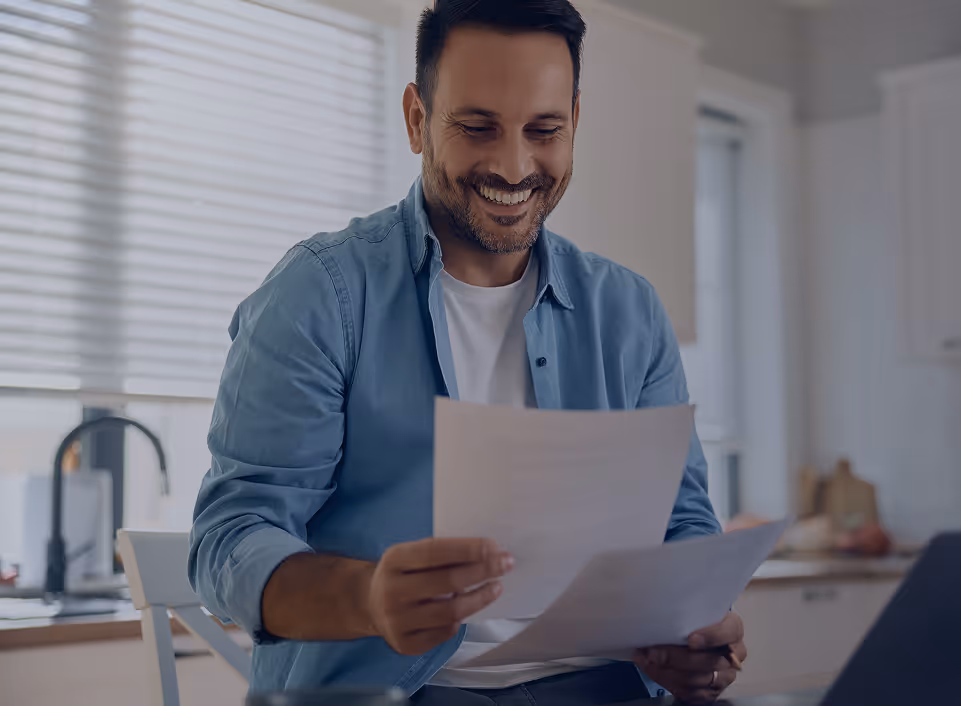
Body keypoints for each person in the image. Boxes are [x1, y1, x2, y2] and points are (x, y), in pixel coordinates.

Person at [188, 1, 745, 704]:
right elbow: (230, 539)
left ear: (576, 120)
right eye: (477, 127)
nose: (514, 167)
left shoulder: (628, 311)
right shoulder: (320, 294)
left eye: (544, 130)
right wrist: (368, 597)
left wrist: (693, 631)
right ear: (417, 119)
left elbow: (683, 524)